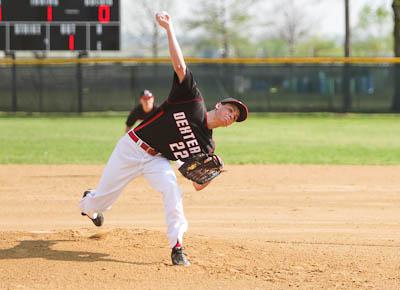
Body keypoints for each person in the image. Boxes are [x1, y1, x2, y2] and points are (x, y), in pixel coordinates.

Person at [79, 11, 249, 267]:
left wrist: (211, 175)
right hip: (131, 147)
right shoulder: (192, 99)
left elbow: (195, 184)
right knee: (100, 201)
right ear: (219, 104)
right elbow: (180, 65)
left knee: (172, 189)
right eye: (230, 109)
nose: (230, 116)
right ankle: (89, 203)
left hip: (156, 160)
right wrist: (169, 28)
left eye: (235, 117)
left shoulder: (207, 145)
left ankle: (177, 246)